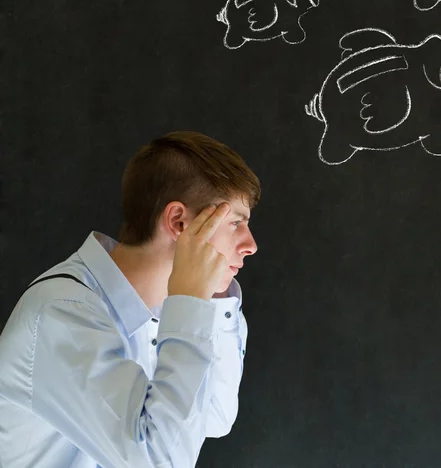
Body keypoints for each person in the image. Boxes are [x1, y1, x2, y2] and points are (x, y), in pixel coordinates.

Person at [0, 131, 260, 467]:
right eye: (236, 223)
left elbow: (214, 416)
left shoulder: (152, 310)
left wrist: (213, 296)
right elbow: (159, 460)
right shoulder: (64, 313)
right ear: (179, 222)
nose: (250, 244)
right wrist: (190, 303)